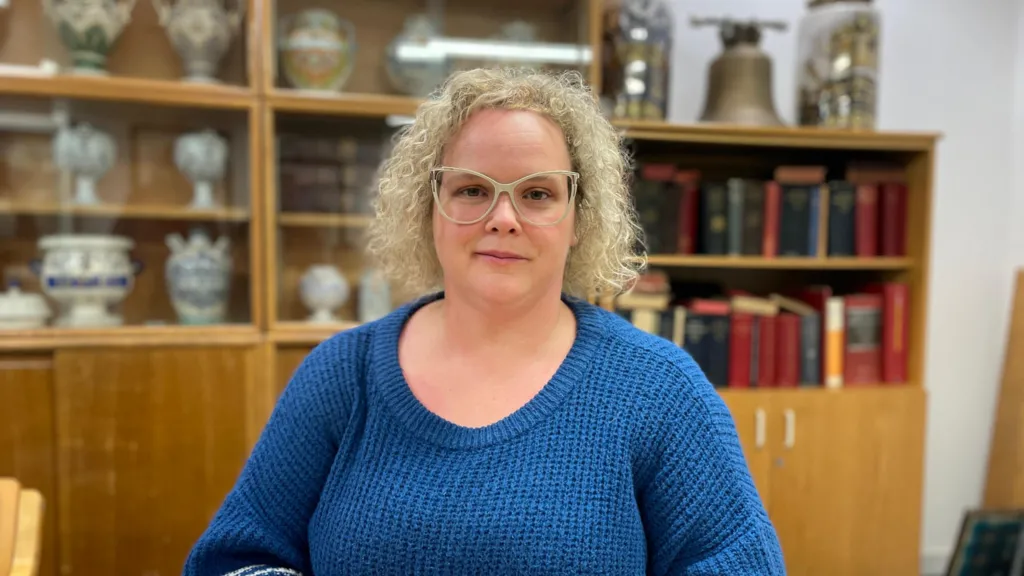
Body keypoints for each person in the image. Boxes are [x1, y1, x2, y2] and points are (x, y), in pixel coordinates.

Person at [184, 67, 785, 575]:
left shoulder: (659, 390)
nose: (503, 217)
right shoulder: (343, 375)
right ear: (430, 209)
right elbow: (233, 560)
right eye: (473, 190)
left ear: (579, 218)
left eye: (538, 194)